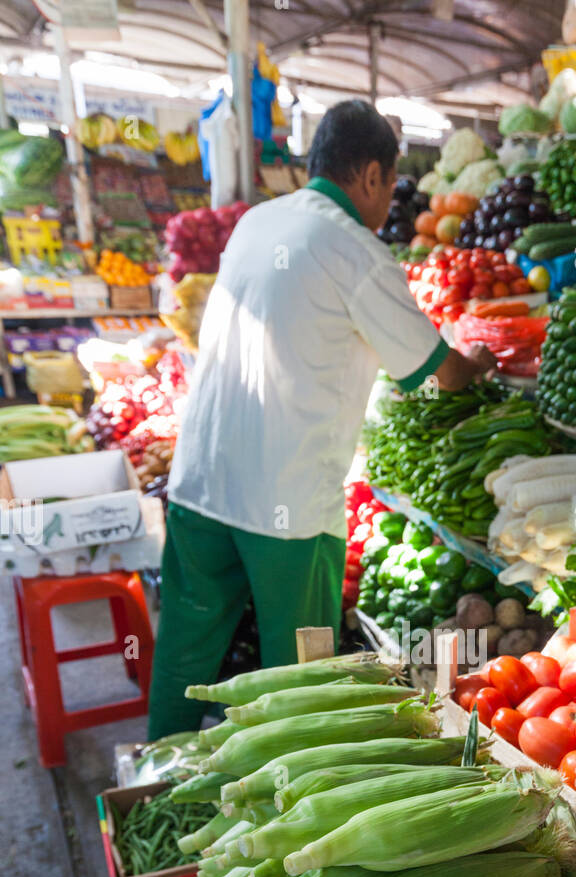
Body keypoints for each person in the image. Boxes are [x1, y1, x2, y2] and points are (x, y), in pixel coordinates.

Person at [147, 99, 495, 739]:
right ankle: (277, 825)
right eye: (390, 184)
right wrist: (474, 360)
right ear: (369, 176)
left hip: (199, 481)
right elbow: (435, 372)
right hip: (287, 507)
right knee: (297, 679)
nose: (390, 200)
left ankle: (148, 785)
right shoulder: (355, 250)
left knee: (181, 654)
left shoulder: (257, 221)